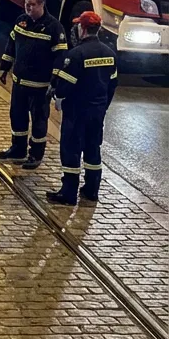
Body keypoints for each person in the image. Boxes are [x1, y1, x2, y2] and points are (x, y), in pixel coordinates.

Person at [46, 11, 117, 205]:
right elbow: (112, 85)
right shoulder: (110, 54)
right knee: (93, 150)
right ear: (99, 29)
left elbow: (65, 87)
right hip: (97, 112)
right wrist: (103, 107)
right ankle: (91, 190)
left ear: (82, 28)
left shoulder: (76, 55)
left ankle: (68, 193)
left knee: (71, 150)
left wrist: (58, 97)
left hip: (77, 112)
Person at [0, 0, 67, 169]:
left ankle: (36, 153)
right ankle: (18, 149)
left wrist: (55, 82)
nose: (28, 8)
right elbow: (11, 45)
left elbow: (60, 56)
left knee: (39, 121)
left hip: (39, 86)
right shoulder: (21, 22)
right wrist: (4, 68)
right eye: (26, 4)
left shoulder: (54, 27)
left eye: (32, 5)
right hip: (19, 83)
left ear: (42, 4)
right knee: (17, 117)